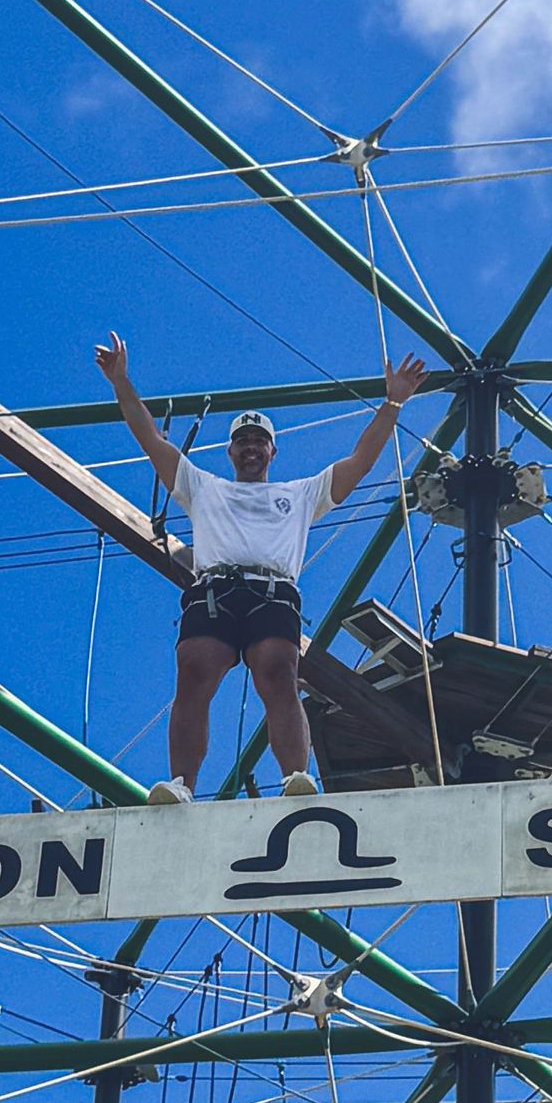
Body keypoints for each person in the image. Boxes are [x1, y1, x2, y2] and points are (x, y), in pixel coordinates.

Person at [94, 336, 430, 801]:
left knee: (277, 671)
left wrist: (393, 403)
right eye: (242, 441)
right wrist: (121, 382)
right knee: (193, 671)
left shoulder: (301, 494)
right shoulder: (202, 486)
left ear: (273, 452)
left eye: (259, 441)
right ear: (230, 451)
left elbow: (360, 461)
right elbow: (150, 438)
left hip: (271, 593)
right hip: (215, 591)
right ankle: (181, 784)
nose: (251, 447)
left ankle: (296, 776)